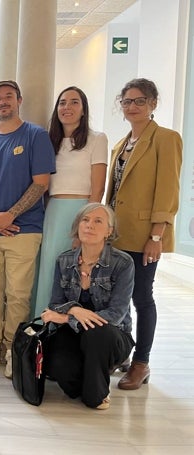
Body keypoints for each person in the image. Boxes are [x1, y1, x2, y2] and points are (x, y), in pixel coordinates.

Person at [0, 80, 55, 378]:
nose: (2, 102)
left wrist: (11, 214)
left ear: (19, 100)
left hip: (24, 229)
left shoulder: (35, 135)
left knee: (18, 293)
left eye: (8, 97)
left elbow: (41, 182)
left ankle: (12, 349)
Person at [105, 78, 183, 390]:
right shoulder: (120, 144)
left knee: (141, 297)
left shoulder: (166, 138)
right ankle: (122, 353)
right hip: (117, 233)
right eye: (127, 101)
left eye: (139, 101)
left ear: (153, 104)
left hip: (144, 235)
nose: (132, 107)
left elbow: (168, 189)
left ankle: (142, 362)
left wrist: (156, 236)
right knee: (118, 297)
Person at [41, 203, 135, 410]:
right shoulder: (64, 260)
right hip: (74, 334)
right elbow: (55, 304)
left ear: (109, 231)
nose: (89, 226)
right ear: (78, 226)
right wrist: (75, 310)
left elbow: (116, 314)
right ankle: (90, 376)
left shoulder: (123, 263)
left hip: (111, 335)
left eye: (98, 221)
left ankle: (98, 391)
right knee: (61, 370)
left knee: (96, 334)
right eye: (85, 220)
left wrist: (67, 317)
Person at [33, 87, 108, 318]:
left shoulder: (97, 139)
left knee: (77, 271)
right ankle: (41, 326)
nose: (67, 108)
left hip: (81, 211)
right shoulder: (47, 140)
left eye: (74, 102)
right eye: (62, 103)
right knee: (48, 271)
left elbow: (98, 188)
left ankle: (72, 326)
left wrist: (85, 224)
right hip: (53, 212)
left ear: (83, 109)